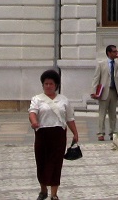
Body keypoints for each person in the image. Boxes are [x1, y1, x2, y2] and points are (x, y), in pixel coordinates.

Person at [29, 68, 79, 200]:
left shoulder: (64, 100)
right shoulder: (37, 99)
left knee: (56, 163)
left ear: (56, 85)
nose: (48, 86)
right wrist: (34, 122)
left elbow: (70, 118)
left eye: (51, 84)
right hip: (42, 134)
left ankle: (54, 194)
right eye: (46, 84)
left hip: (58, 135)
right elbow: (32, 112)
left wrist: (75, 133)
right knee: (42, 162)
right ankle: (43, 190)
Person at [91, 44, 118, 141]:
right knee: (102, 113)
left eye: (116, 51)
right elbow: (96, 78)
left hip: (114, 91)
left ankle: (112, 132)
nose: (116, 53)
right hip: (104, 91)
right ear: (109, 53)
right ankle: (100, 133)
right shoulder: (101, 64)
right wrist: (93, 91)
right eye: (114, 51)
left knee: (113, 114)